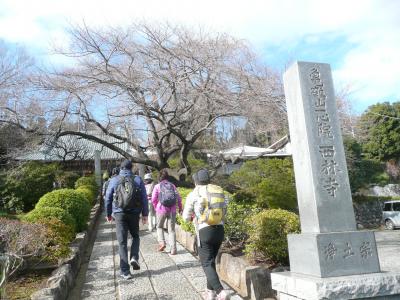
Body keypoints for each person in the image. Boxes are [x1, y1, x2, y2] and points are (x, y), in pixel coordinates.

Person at [182, 169, 230, 300]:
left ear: (196, 181)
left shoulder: (195, 192)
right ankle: (210, 293)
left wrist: (192, 218)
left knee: (206, 263)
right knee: (211, 262)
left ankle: (220, 292)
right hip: (219, 230)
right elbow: (225, 209)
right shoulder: (218, 190)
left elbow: (185, 216)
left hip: (204, 230)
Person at [105, 160, 148, 280]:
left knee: (122, 242)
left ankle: (125, 271)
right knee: (135, 236)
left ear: (121, 168)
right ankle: (134, 257)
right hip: (134, 213)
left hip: (119, 214)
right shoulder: (138, 179)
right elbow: (144, 198)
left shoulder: (114, 180)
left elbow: (108, 198)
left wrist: (108, 214)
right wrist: (145, 214)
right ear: (131, 168)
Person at [151, 169, 182, 255]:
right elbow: (178, 198)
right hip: (172, 210)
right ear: (167, 177)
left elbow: (153, 198)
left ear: (159, 178)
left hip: (161, 209)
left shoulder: (157, 186)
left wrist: (156, 207)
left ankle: (162, 243)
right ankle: (174, 249)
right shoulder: (172, 186)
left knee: (159, 227)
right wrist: (180, 207)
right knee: (171, 230)